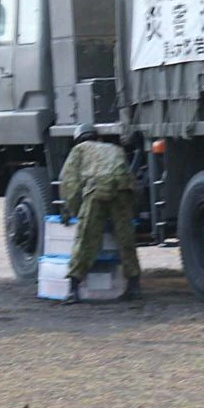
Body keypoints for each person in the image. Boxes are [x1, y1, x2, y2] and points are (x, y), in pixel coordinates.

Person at [58, 123, 142, 304]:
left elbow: (69, 183)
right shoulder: (114, 148)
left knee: (85, 238)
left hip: (97, 189)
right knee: (125, 237)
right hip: (122, 188)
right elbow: (129, 178)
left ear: (78, 139)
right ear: (97, 137)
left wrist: (73, 211)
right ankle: (134, 286)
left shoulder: (79, 150)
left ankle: (73, 290)